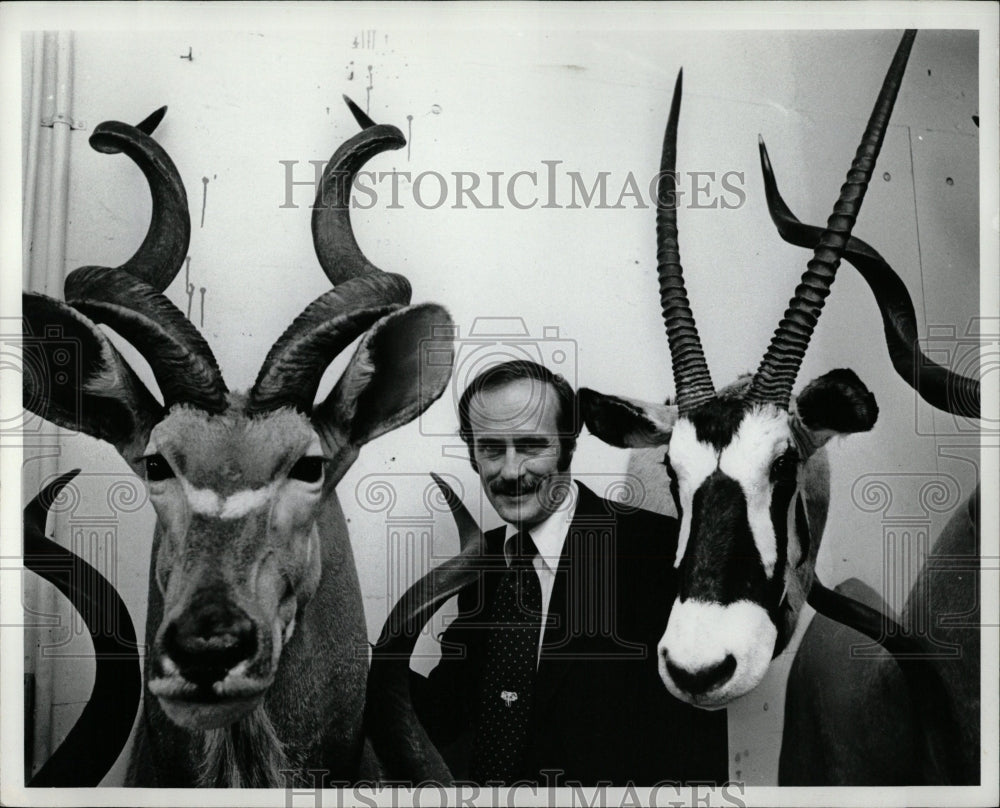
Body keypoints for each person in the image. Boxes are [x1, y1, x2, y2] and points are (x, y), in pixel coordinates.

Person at [411, 360, 728, 786]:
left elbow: (695, 742)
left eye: (530, 446)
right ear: (472, 456)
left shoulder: (658, 553)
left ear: (568, 447)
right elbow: (451, 711)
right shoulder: (481, 560)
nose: (510, 470)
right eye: (491, 448)